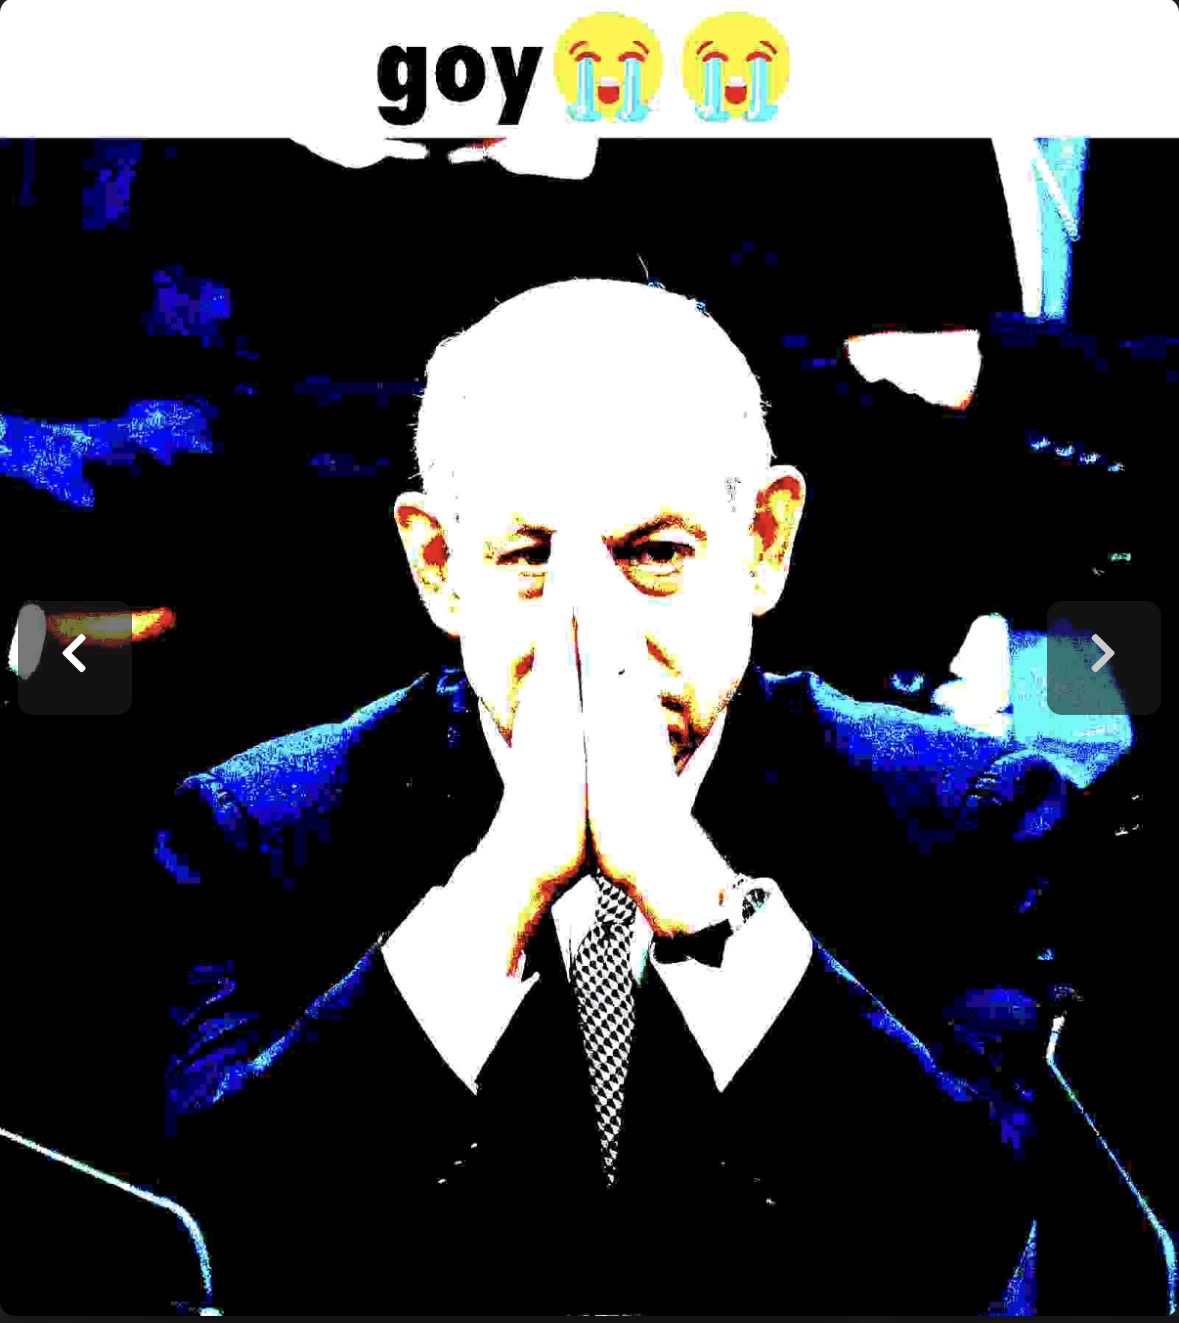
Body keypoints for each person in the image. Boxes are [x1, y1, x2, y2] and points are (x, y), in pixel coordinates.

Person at [153, 279, 1160, 1315]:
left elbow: (958, 1248)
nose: (597, 627)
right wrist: (500, 891)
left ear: (763, 544)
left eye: (655, 555)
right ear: (439, 565)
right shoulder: (262, 828)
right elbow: (240, 1246)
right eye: (531, 559)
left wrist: (694, 896)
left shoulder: (964, 817)